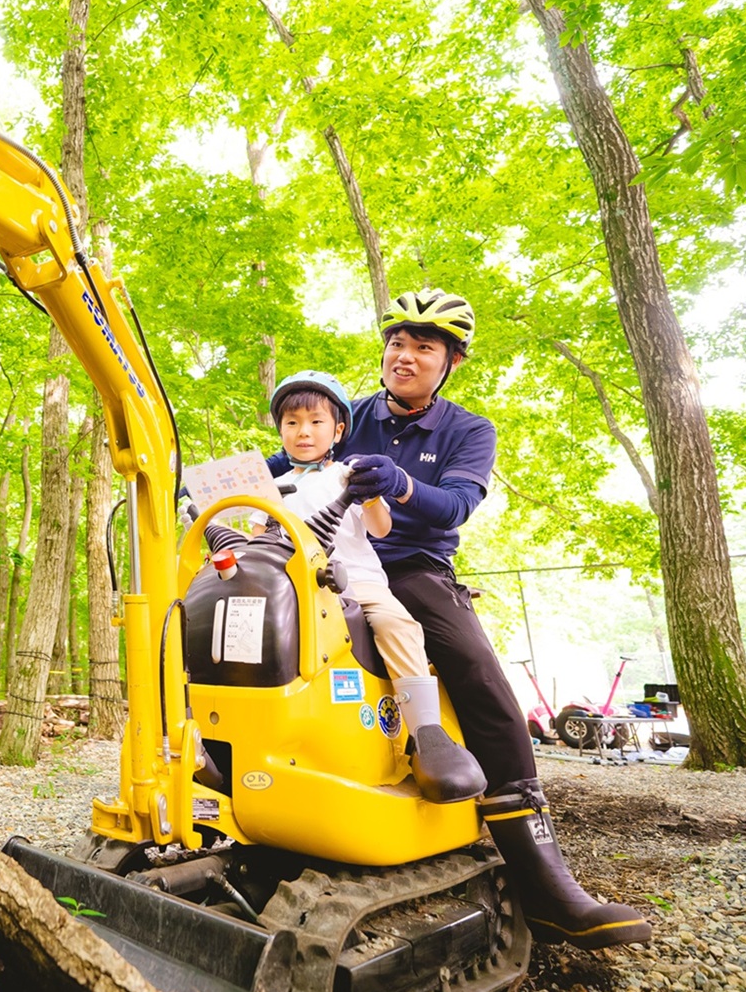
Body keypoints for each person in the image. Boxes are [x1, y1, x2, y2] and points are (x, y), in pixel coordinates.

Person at [281, 289, 650, 950]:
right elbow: (288, 461)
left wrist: (398, 484)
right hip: (320, 558)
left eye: (423, 347)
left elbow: (453, 506)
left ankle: (541, 878)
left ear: (450, 361)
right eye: (397, 343)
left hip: (410, 568)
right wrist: (206, 486)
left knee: (478, 673)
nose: (404, 356)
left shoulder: (469, 430)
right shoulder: (344, 414)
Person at [252, 371, 487, 804]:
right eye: (292, 423)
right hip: (292, 587)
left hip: (355, 581)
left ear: (338, 429)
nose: (304, 432)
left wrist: (375, 496)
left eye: (316, 422)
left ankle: (427, 734)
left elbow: (380, 530)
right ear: (280, 431)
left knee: (397, 624)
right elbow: (258, 540)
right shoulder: (270, 491)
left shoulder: (348, 475)